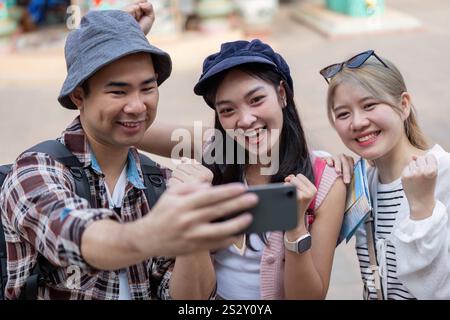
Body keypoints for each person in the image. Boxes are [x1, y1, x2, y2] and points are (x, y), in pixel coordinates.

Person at [0, 9, 258, 300]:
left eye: (147, 87)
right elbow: (75, 233)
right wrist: (154, 233)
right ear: (78, 96)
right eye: (118, 92)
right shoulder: (35, 172)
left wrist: (191, 220)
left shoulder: (161, 185)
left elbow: (190, 301)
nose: (137, 106)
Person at [138, 39, 347, 299]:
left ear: (282, 94)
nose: (246, 120)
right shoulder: (212, 153)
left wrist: (295, 228)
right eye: (227, 110)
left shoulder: (325, 179)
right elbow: (128, 128)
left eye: (256, 99)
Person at [320, 50, 450, 299]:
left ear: (404, 105)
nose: (357, 122)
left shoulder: (443, 175)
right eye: (343, 114)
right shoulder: (361, 184)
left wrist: (422, 210)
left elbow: (438, 290)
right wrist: (329, 178)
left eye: (369, 105)